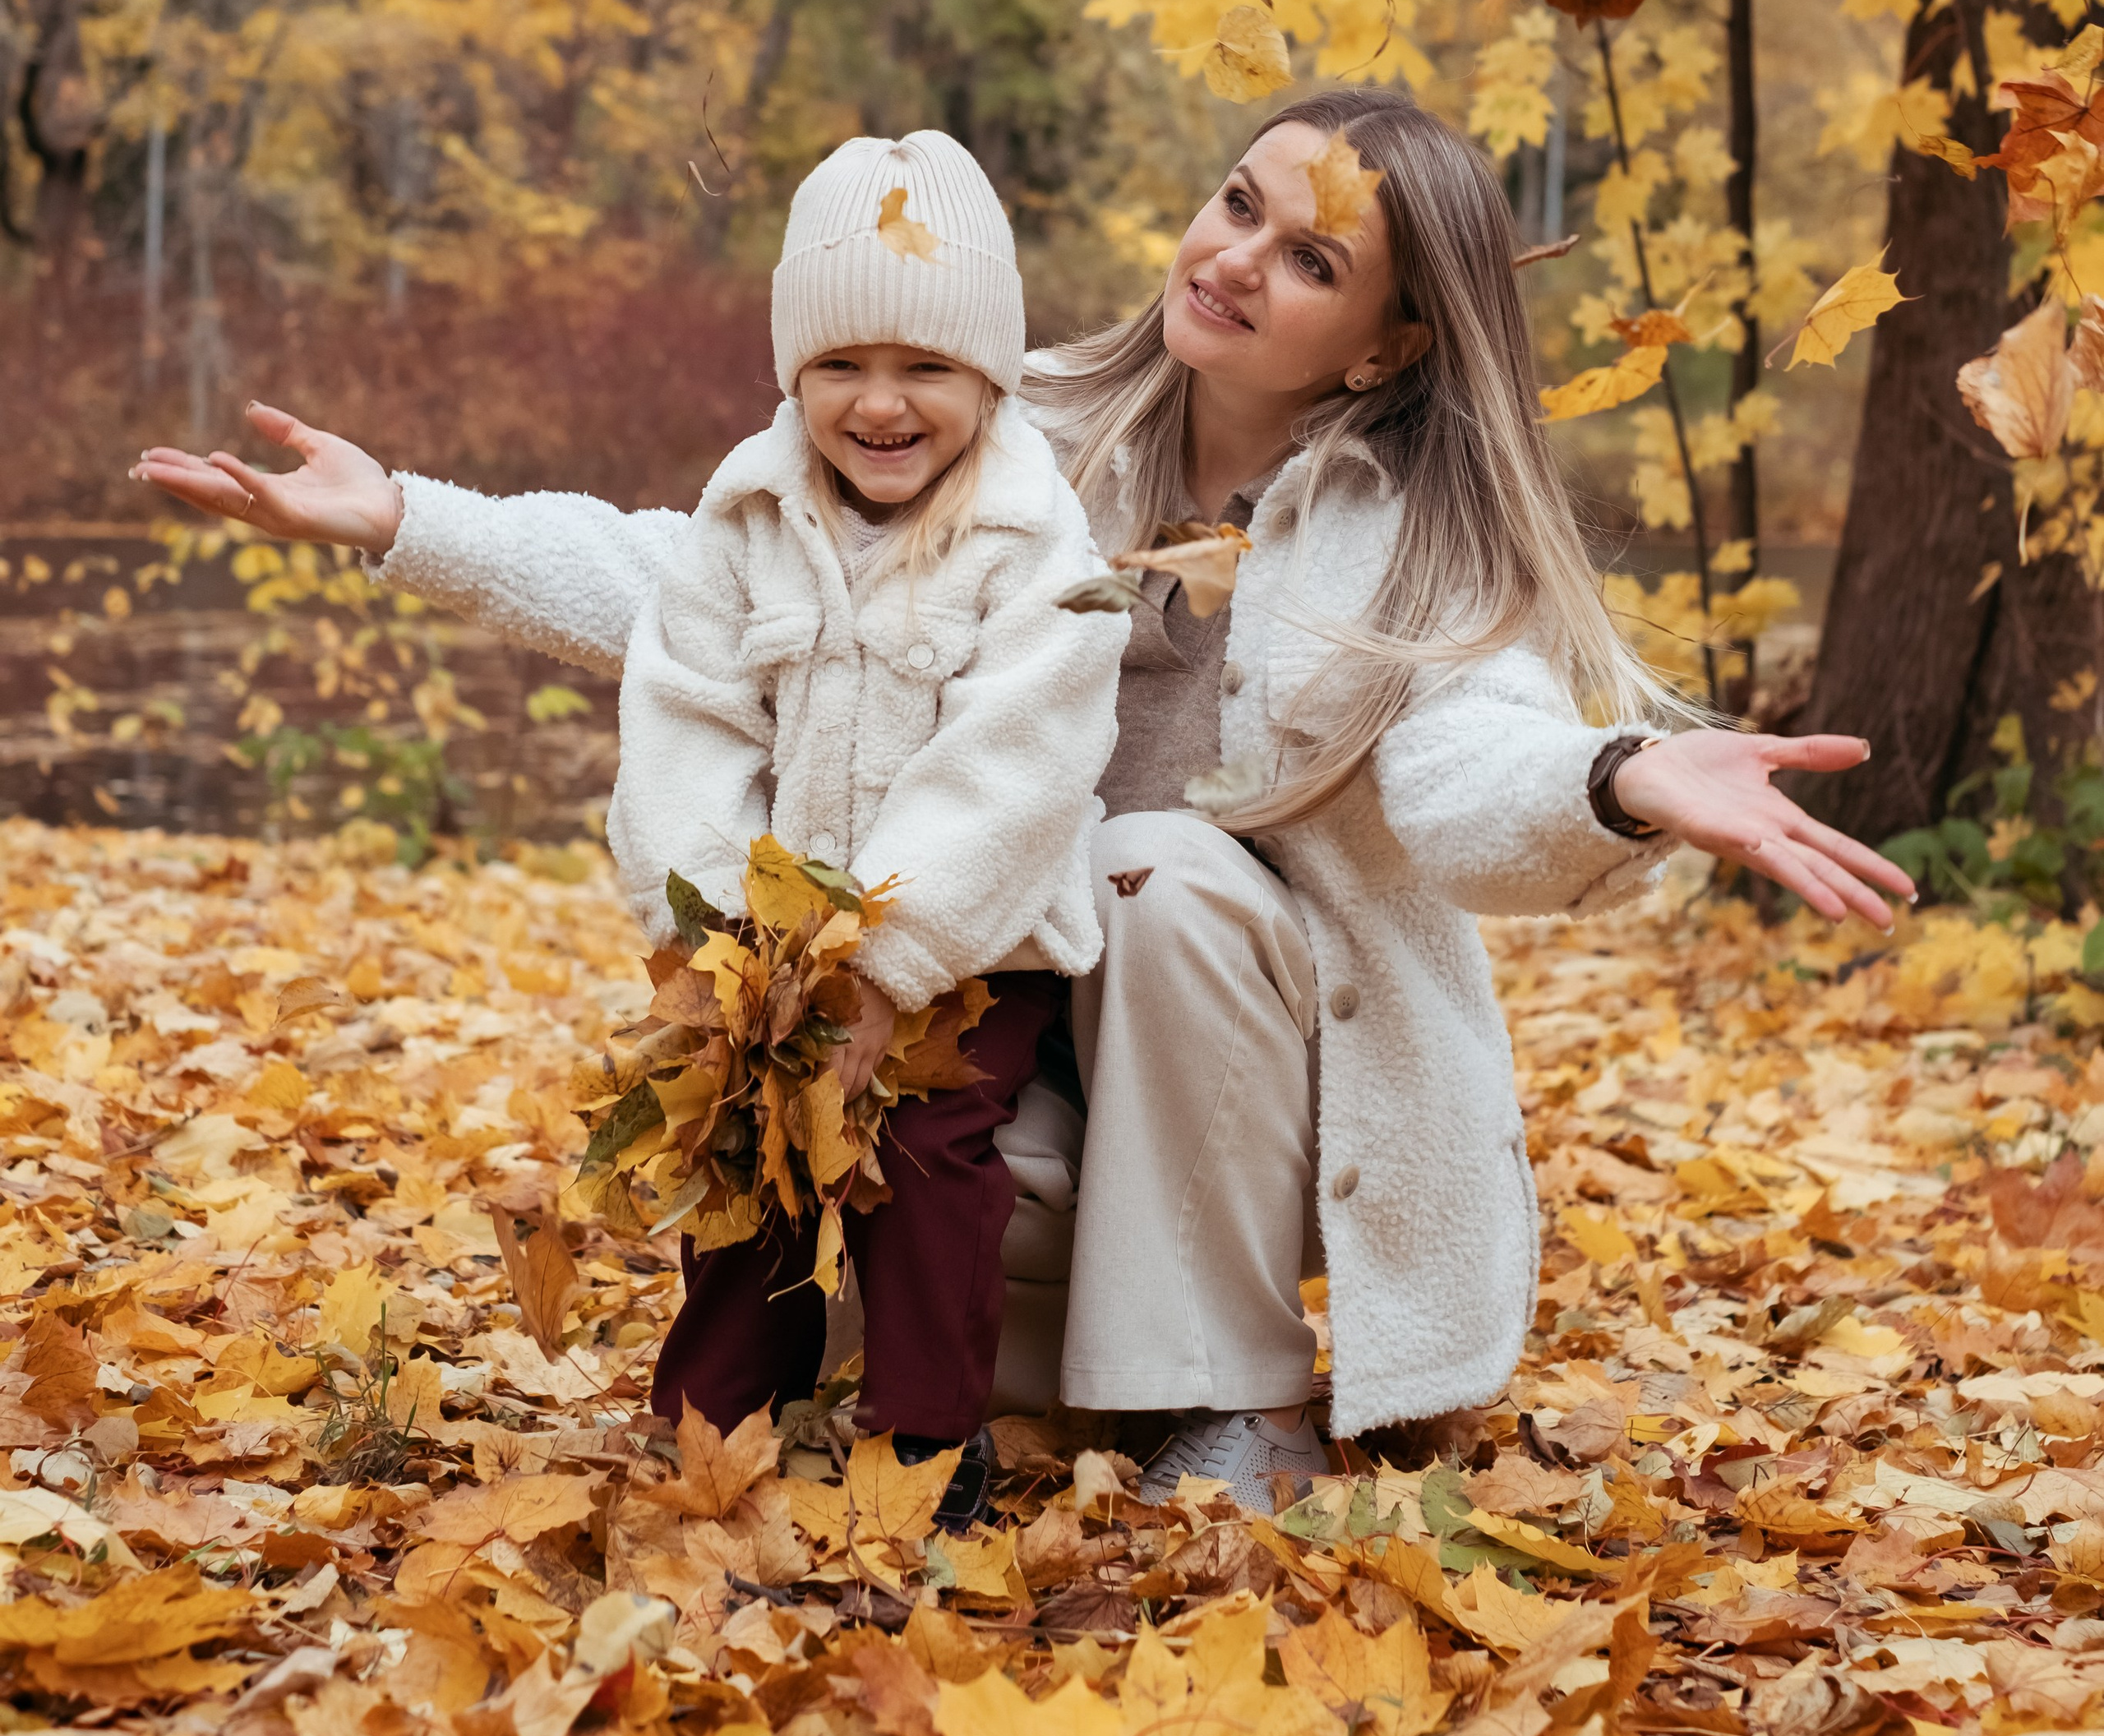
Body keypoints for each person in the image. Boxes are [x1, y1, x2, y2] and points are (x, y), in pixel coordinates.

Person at [135, 88, 1911, 1515]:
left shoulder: (1408, 547)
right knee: (897, 1154)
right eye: (1237, 204)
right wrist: (410, 521)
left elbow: (1464, 777)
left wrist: (1616, 776)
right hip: (1001, 1018)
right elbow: (719, 586)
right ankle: (996, 1381)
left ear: (1382, 346)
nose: (1235, 259)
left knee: (1157, 866)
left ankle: (1234, 1397)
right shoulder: (1010, 421)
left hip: (1263, 1083)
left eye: (1308, 261)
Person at [138, 130, 1128, 1529]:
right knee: (740, 1154)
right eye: (840, 365)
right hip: (765, 948)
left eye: (926, 367)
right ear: (793, 373)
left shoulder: (1033, 544)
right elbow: (686, 723)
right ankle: (717, 1422)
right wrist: (723, 946)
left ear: (990, 375)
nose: (880, 403)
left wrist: (883, 963)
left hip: (960, 950)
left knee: (922, 1151)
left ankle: (922, 1444)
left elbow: (1014, 767)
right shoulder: (749, 521)